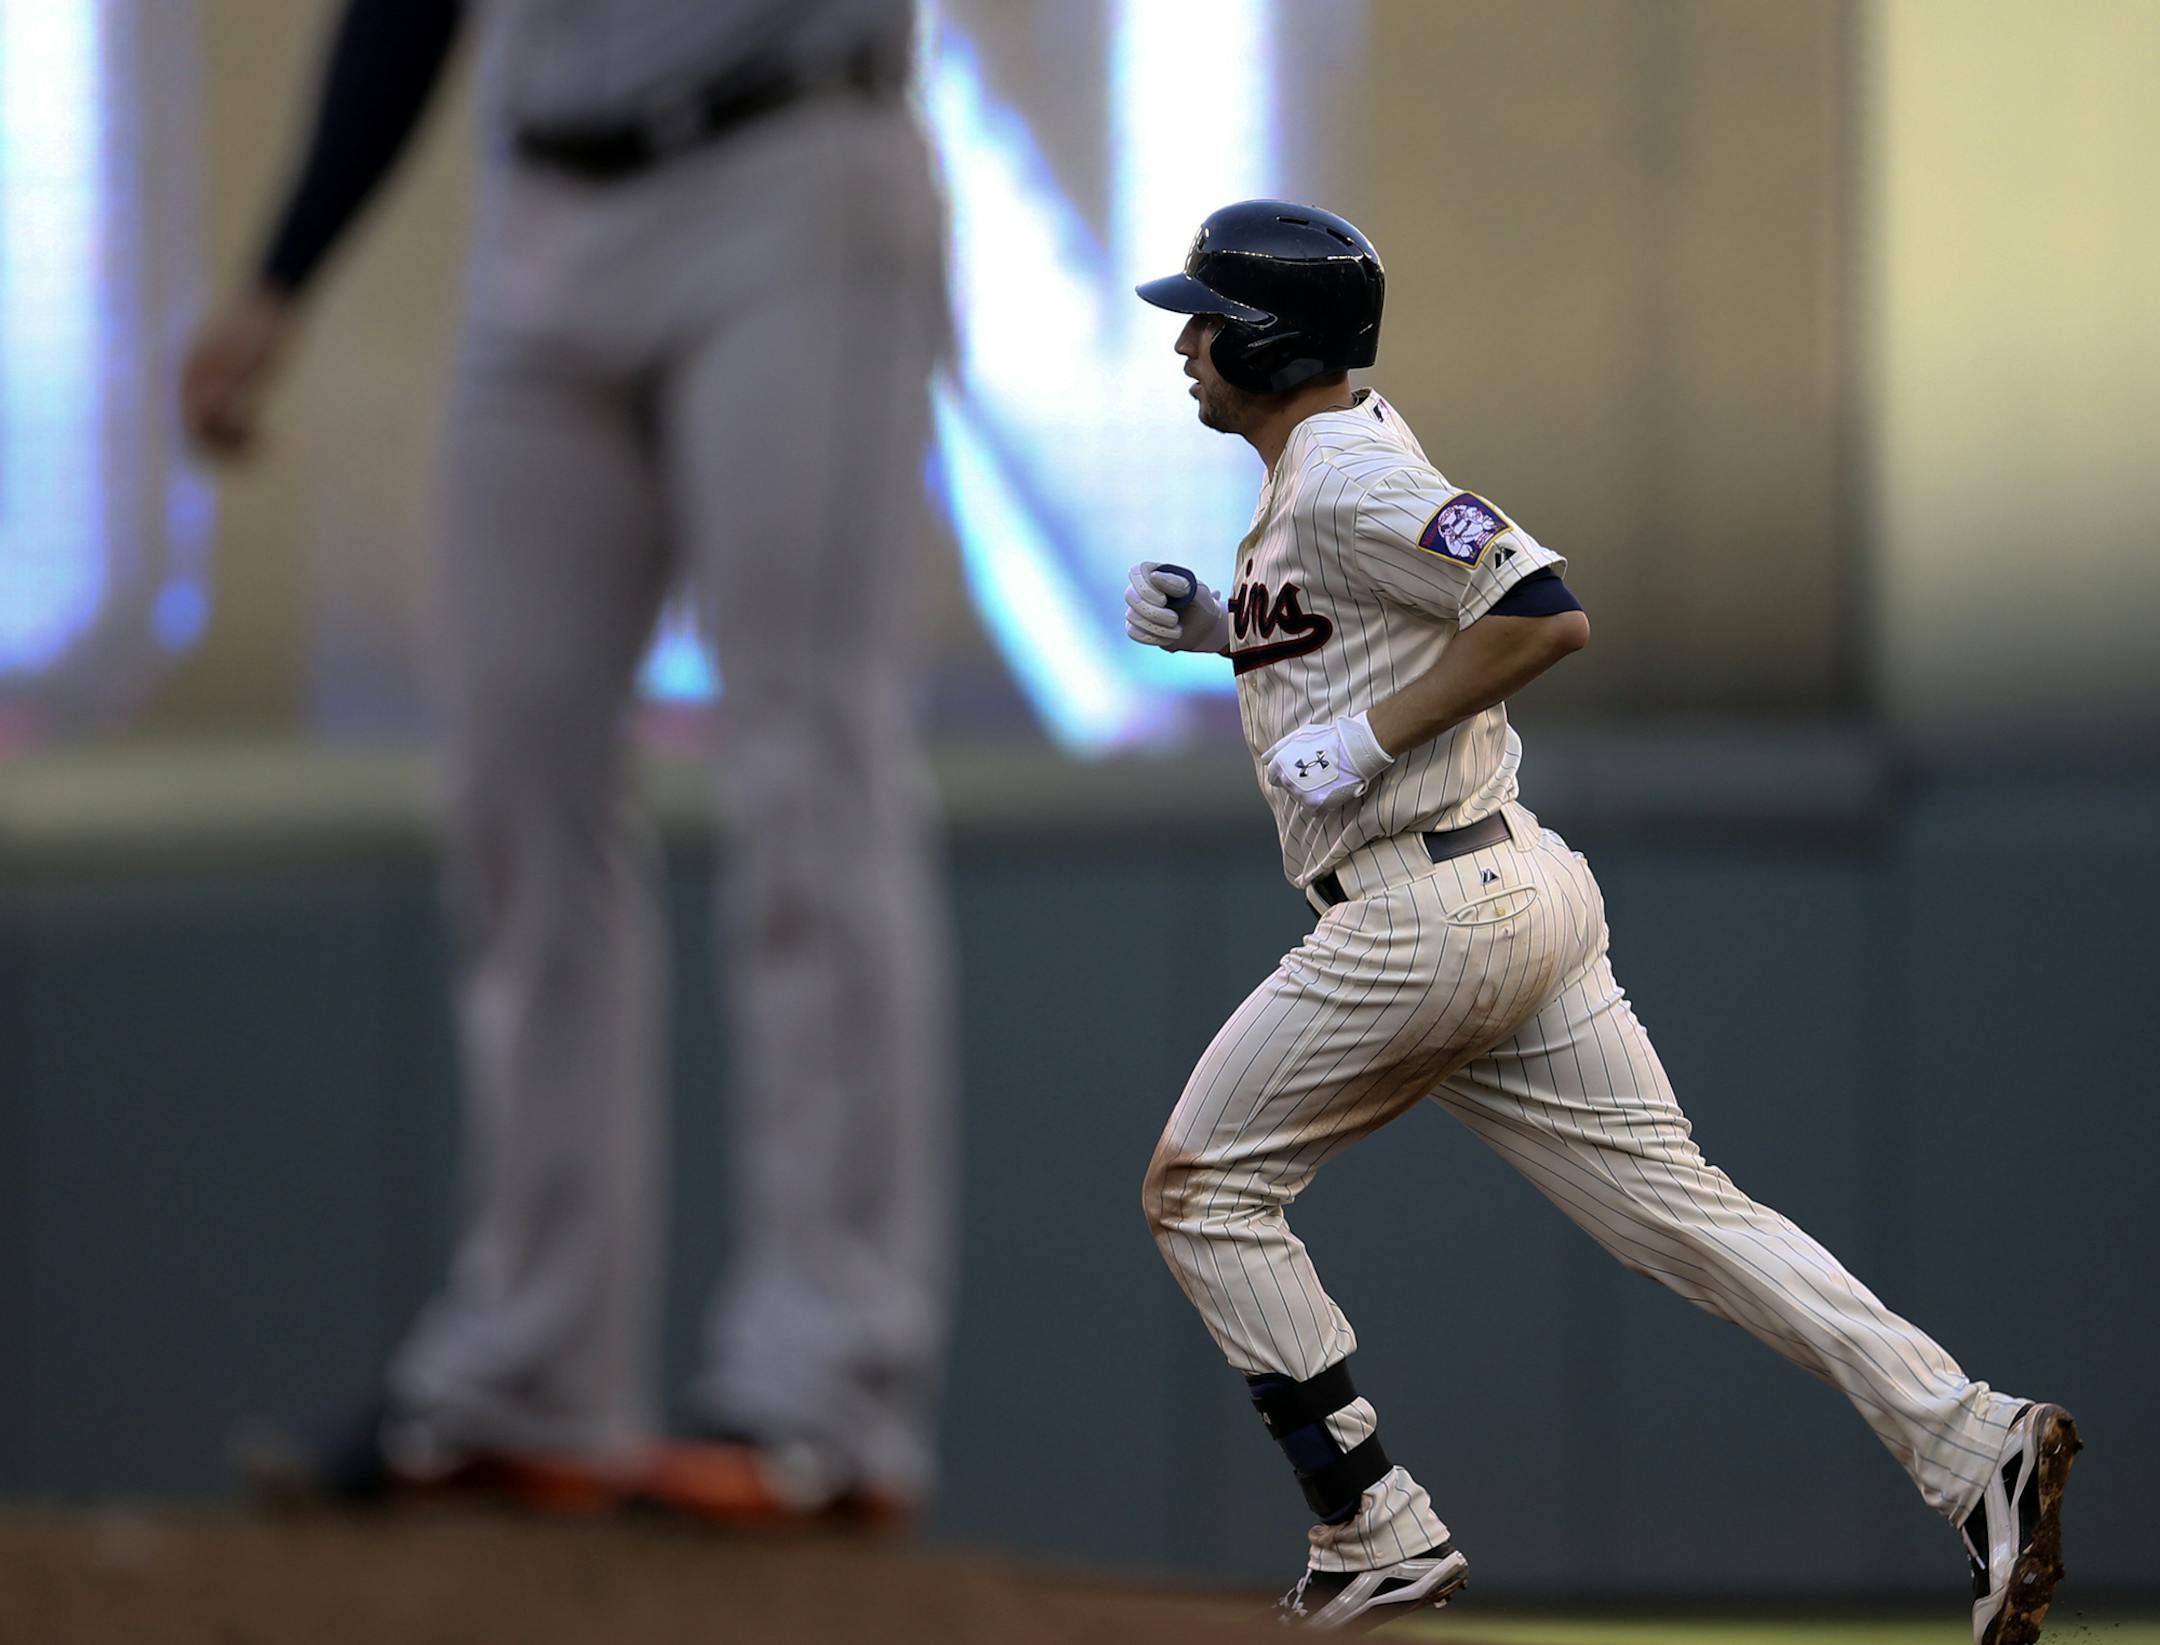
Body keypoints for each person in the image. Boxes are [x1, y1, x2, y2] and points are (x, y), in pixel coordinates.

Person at [1121, 200, 2079, 1642]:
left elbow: (1543, 611)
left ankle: (1370, 1520)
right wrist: (1226, 630)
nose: (1186, 342)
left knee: (1203, 1190)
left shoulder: (1346, 475)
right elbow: (1386, 619)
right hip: (1508, 890)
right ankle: (1971, 1439)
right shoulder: (1326, 477)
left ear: (1269, 337)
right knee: (1691, 1221)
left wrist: (1373, 736)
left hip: (1421, 908)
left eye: (1205, 316)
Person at [180, 0, 955, 1527]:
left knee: (810, 771)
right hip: (542, 205)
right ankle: (527, 1371)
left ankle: (830, 1387)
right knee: (510, 785)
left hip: (792, 160)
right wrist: (281, 270)